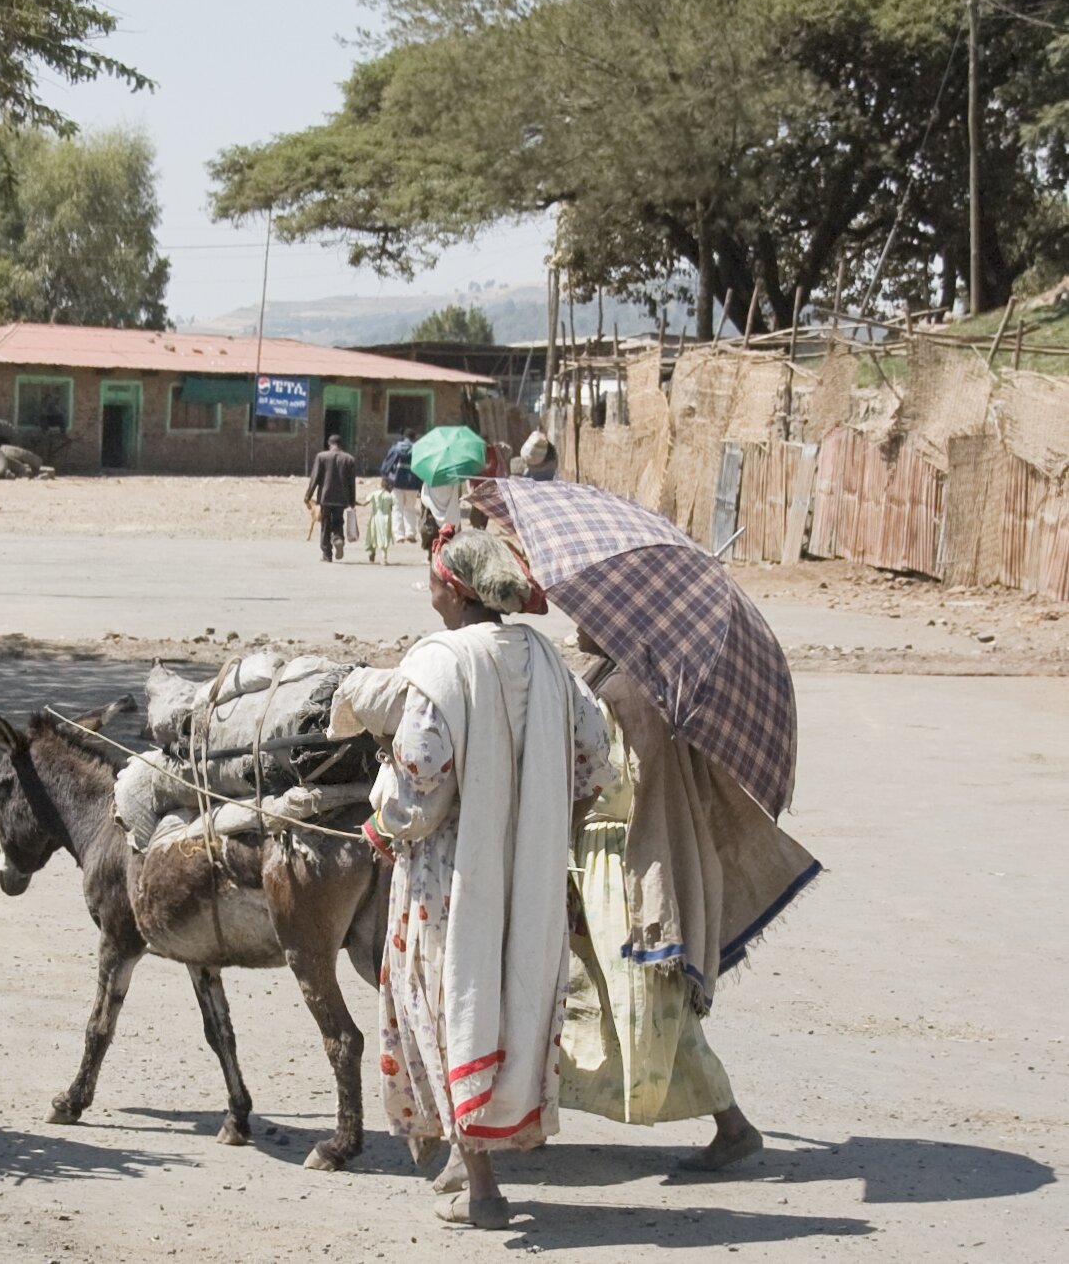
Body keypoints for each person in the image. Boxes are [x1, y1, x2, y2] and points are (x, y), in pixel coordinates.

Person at [331, 527, 612, 1230]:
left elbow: (420, 780)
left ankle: (484, 1190)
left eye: (431, 577)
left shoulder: (441, 663)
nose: (425, 588)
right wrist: (542, 818)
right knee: (509, 1001)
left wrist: (385, 818)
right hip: (533, 875)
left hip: (450, 879)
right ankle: (467, 1157)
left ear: (453, 589)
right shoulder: (546, 658)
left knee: (447, 1002)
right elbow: (595, 754)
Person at [556, 630, 819, 1170]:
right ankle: (533, 1114)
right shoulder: (632, 680)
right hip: (615, 849)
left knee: (642, 996)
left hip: (619, 856)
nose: (576, 621)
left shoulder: (624, 691)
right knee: (588, 987)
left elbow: (608, 777)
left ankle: (733, 1122)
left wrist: (560, 824)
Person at [304, 434, 357, 562]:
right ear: (341, 444)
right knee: (338, 520)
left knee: (325, 524)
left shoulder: (321, 457)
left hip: (325, 497)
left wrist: (308, 496)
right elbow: (351, 482)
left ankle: (327, 554)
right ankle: (338, 539)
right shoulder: (349, 459)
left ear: (329, 444)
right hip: (342, 498)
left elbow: (315, 478)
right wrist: (352, 500)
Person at [380, 427, 424, 543]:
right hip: (413, 483)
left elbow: (386, 466)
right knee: (410, 508)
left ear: (404, 437)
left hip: (397, 483)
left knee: (397, 508)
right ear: (414, 438)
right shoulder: (417, 449)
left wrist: (386, 477)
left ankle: (399, 535)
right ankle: (410, 532)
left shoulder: (396, 448)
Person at [364, 476, 396, 564]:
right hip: (386, 519)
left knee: (372, 535)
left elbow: (365, 502)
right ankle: (384, 558)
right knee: (384, 537)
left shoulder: (374, 493)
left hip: (375, 517)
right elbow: (392, 506)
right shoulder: (389, 496)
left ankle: (371, 552)